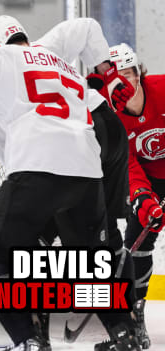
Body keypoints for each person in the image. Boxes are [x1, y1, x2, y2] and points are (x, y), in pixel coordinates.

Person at [0, 15, 140, 351]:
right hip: (88, 165)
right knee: (93, 265)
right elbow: (85, 26)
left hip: (37, 169)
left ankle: (29, 339)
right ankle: (125, 334)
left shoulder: (0, 60)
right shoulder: (54, 57)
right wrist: (107, 72)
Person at [105, 42, 165, 349]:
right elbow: (126, 162)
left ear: (138, 73)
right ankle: (135, 313)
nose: (124, 83)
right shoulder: (111, 117)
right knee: (137, 243)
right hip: (149, 179)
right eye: (117, 77)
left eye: (129, 74)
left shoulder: (163, 88)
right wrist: (143, 196)